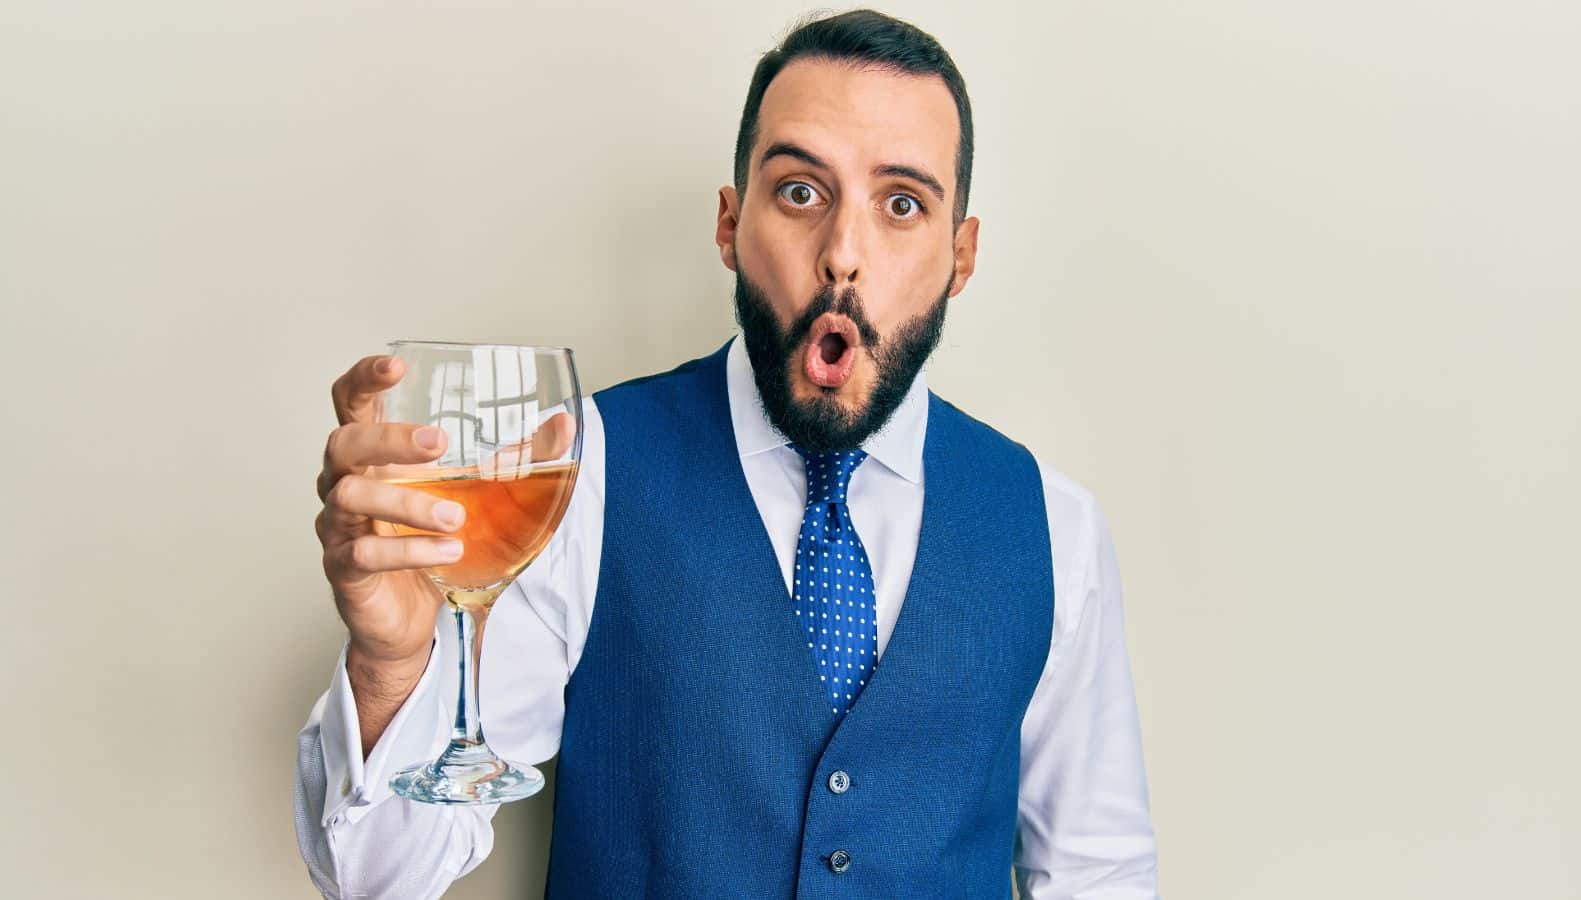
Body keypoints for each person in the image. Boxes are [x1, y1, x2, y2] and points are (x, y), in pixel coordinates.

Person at [294, 9, 1159, 899]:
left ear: (961, 257)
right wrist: (391, 667)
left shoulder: (1056, 530)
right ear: (729, 224)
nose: (843, 257)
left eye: (902, 205)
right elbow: (371, 879)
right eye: (800, 192)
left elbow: (1099, 874)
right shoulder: (574, 476)